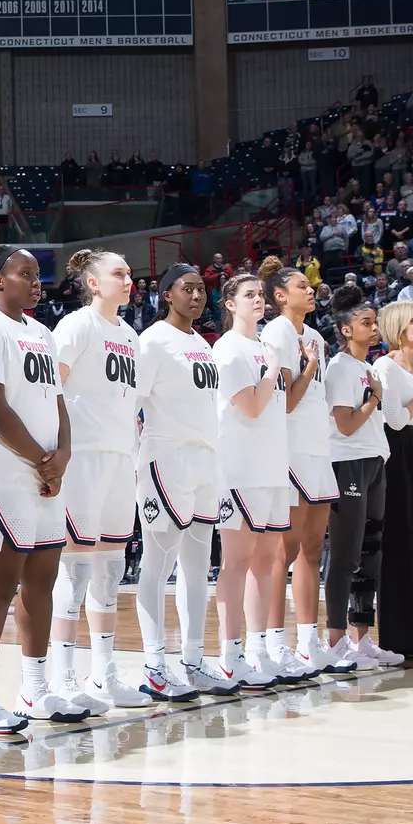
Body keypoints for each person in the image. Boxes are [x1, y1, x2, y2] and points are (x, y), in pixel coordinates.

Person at [0, 245, 84, 727]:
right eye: (24, 273)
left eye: (37, 274)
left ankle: (34, 690)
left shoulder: (44, 334)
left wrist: (63, 456)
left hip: (46, 472)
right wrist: (42, 460)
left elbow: (59, 404)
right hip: (2, 470)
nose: (36, 282)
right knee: (0, 583)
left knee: (41, 583)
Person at [48, 250, 151, 710]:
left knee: (110, 569)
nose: (128, 279)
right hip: (82, 459)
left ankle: (102, 674)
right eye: (119, 272)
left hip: (118, 459)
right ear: (92, 283)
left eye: (129, 273)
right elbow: (50, 390)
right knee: (74, 569)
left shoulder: (130, 334)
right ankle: (61, 677)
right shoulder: (76, 326)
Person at [132, 264, 234, 700]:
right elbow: (130, 405)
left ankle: (193, 659)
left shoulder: (201, 345)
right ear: (166, 294)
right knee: (157, 566)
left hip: (204, 462)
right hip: (166, 460)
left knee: (198, 568)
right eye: (186, 288)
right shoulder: (153, 340)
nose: (196, 295)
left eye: (201, 289)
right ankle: (154, 663)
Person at [210, 268, 291, 690]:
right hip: (239, 470)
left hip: (273, 467)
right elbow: (252, 407)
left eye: (261, 294)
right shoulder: (228, 349)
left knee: (268, 562)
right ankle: (230, 653)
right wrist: (273, 371)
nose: (258, 300)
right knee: (237, 562)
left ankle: (259, 651)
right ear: (229, 304)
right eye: (249, 295)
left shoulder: (263, 346)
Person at [259, 258, 339, 675]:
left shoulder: (317, 336)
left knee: (312, 549)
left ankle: (309, 641)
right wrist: (308, 365)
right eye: (301, 286)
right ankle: (275, 644)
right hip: (289, 449)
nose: (311, 290)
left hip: (317, 448)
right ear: (280, 296)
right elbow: (286, 401)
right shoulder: (275, 332)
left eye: (310, 287)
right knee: (283, 551)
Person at [321, 285, 386, 671]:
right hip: (348, 462)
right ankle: (335, 639)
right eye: (366, 323)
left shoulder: (368, 367)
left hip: (374, 461)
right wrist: (374, 399)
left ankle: (362, 637)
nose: (374, 328)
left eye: (375, 322)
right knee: (345, 554)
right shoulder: (341, 367)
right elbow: (345, 425)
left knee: (370, 553)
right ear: (346, 330)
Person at [371, 300, 413, 662]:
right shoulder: (386, 366)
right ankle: (398, 635)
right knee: (398, 540)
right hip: (398, 450)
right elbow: (394, 419)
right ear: (398, 326)